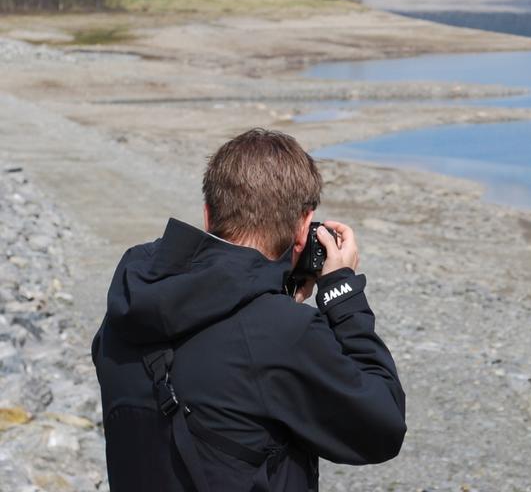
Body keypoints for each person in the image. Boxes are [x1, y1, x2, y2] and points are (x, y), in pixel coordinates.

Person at [92, 129, 405, 491]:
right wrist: (342, 293)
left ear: (208, 215)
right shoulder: (281, 333)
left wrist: (277, 303)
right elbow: (383, 427)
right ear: (304, 227)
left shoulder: (131, 301)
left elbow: (219, 368)